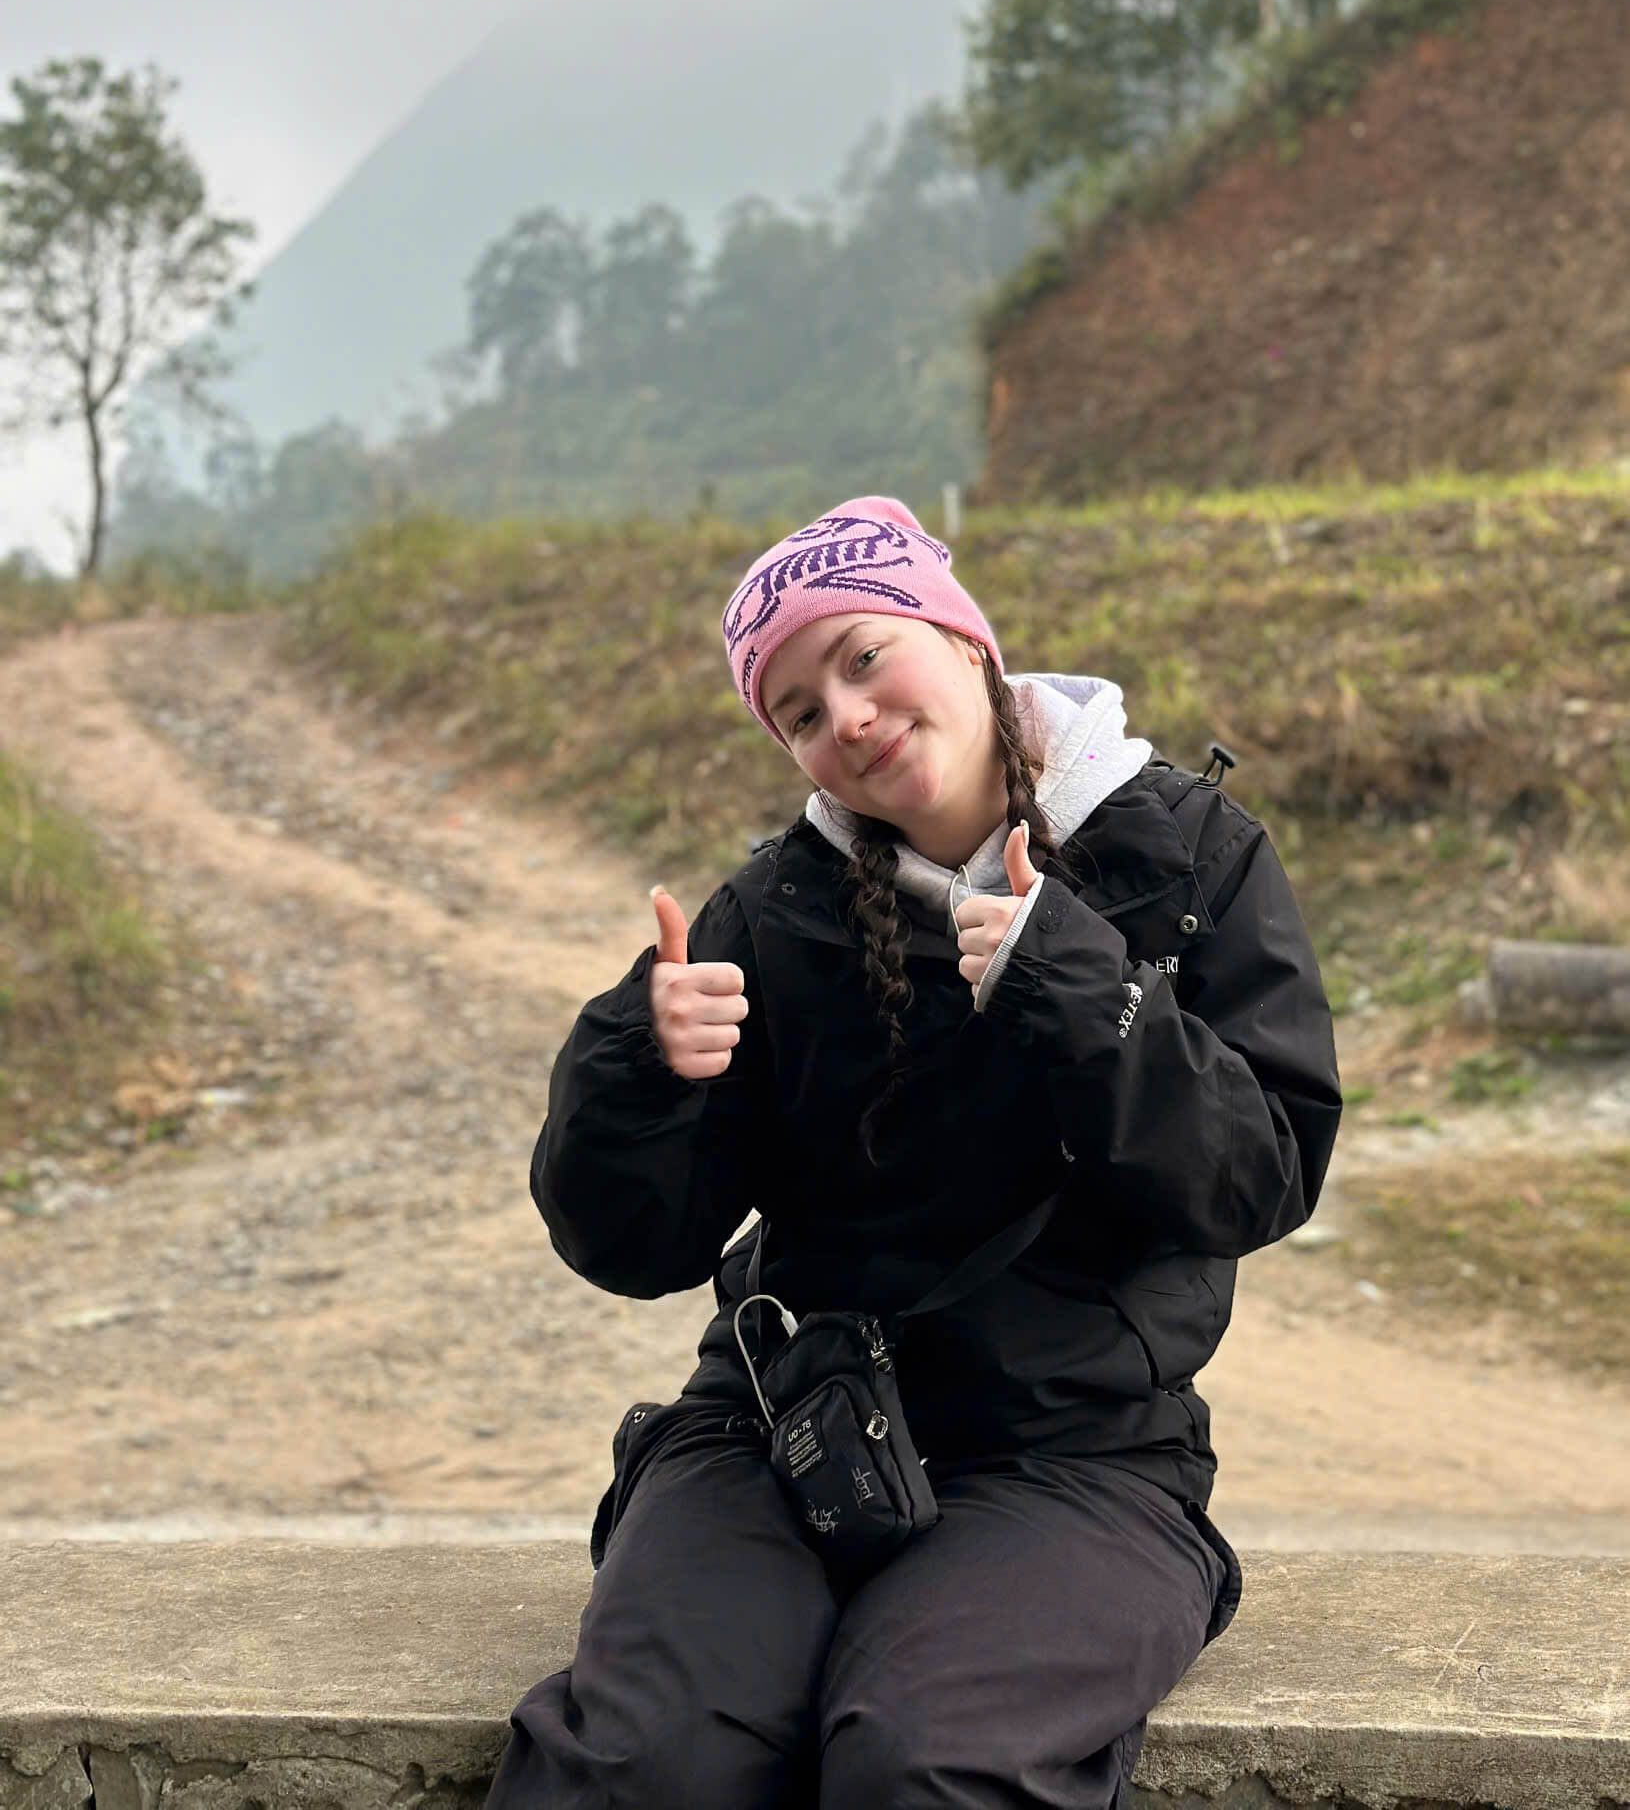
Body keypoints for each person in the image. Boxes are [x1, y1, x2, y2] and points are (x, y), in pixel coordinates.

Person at [488, 496, 1341, 1810]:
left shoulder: (1181, 858)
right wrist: (631, 1066)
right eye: (799, 712)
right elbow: (630, 1245)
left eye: (864, 656)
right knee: (644, 1762)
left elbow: (1260, 1174)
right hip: (783, 1428)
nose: (848, 717)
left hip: (1076, 1459)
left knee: (930, 1763)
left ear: (964, 644)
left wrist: (1080, 987)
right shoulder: (768, 916)